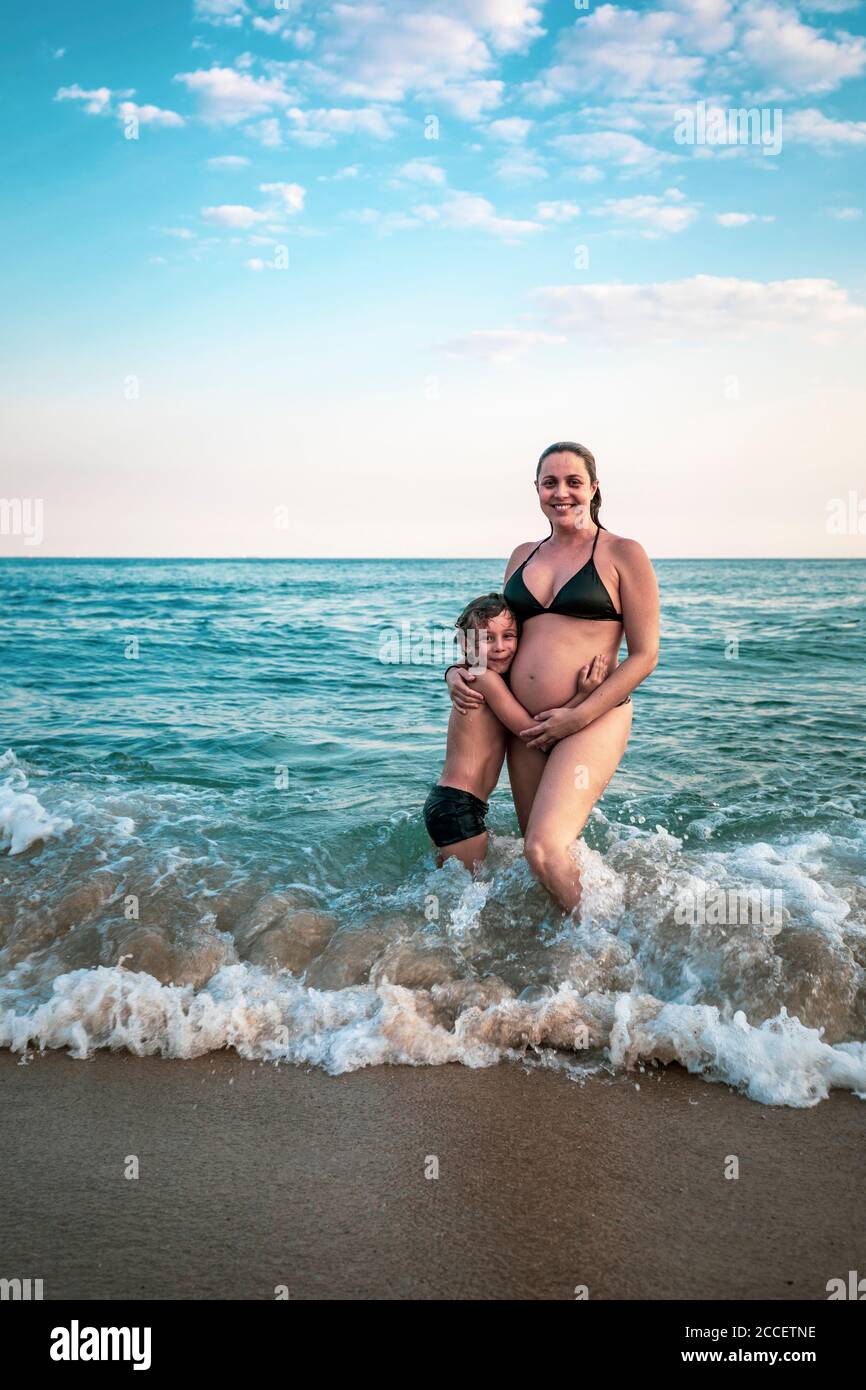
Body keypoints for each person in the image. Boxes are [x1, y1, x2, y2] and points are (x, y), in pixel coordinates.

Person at [445, 442, 659, 911]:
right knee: (535, 853)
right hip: (527, 724)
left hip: (592, 718)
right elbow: (493, 633)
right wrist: (458, 671)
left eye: (573, 482)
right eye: (550, 482)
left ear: (594, 488)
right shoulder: (523, 554)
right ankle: (562, 956)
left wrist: (578, 715)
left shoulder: (624, 553)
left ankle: (609, 946)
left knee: (543, 850)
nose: (561, 492)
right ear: (537, 490)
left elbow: (645, 656)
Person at [426, 592, 609, 871]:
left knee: (448, 889)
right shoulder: (484, 679)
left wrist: (451, 671)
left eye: (509, 636)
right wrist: (581, 698)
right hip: (459, 807)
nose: (500, 647)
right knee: (468, 901)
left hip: (450, 803)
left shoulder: (482, 676)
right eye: (487, 639)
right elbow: (532, 733)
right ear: (466, 645)